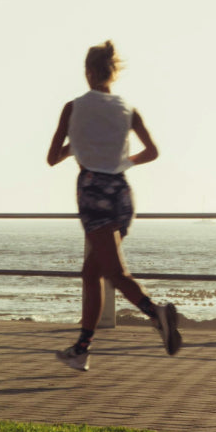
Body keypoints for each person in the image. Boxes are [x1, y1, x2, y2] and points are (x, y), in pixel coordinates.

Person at [46, 41, 181, 371]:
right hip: (121, 193)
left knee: (114, 272)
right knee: (92, 272)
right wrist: (123, 161)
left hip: (93, 192)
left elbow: (52, 158)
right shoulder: (128, 110)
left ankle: (156, 314)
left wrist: (73, 148)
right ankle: (81, 348)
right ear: (113, 73)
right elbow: (151, 152)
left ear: (89, 72)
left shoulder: (72, 108)